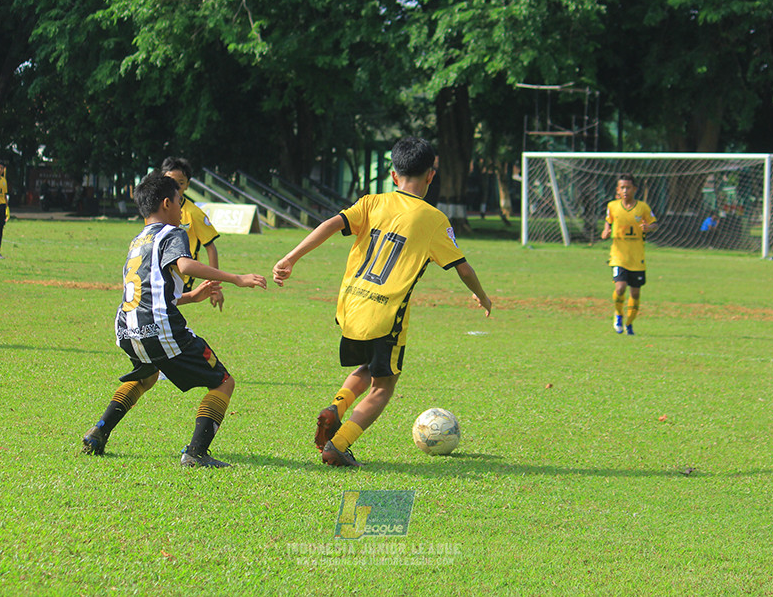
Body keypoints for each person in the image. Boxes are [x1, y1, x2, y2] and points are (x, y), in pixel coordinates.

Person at [273, 136, 492, 467]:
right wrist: (482, 295)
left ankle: (337, 405)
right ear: (431, 175)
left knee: (368, 366)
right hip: (387, 314)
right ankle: (339, 445)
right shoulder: (434, 220)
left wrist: (291, 258)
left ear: (393, 175)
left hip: (351, 306)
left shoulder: (371, 202)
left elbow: (331, 225)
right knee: (385, 385)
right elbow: (462, 268)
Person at [81, 171, 266, 468]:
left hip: (127, 328)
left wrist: (191, 298)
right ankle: (196, 453)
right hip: (159, 328)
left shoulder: (137, 240)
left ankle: (99, 432)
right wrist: (236, 278)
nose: (183, 209)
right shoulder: (172, 233)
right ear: (167, 203)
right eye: (180, 201)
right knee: (223, 382)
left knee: (147, 375)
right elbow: (185, 264)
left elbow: (147, 290)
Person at [160, 157, 223, 308]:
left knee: (166, 308)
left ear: (187, 185)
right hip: (159, 272)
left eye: (180, 183)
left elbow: (210, 247)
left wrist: (214, 286)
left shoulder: (194, 213)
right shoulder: (156, 210)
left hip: (182, 277)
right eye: (170, 182)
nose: (175, 187)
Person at [601, 173, 657, 335]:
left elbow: (654, 224)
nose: (625, 190)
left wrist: (649, 228)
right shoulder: (612, 206)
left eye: (628, 187)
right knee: (620, 287)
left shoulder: (643, 208)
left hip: (637, 257)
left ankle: (630, 323)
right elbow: (608, 220)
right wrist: (606, 230)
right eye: (622, 187)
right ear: (618, 189)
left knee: (635, 292)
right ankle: (618, 314)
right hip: (618, 255)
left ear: (634, 189)